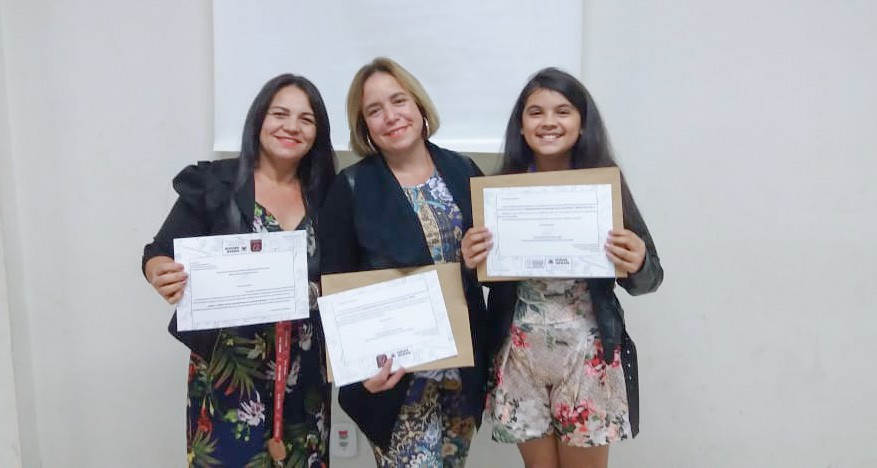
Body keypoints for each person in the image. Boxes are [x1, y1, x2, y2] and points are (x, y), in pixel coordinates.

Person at [462, 68, 664, 468]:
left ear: (582, 123)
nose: (549, 122)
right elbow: (483, 279)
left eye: (563, 111)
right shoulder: (500, 189)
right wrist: (468, 262)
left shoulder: (605, 187)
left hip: (587, 352)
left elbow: (650, 277)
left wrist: (637, 261)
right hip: (517, 353)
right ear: (520, 126)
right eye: (535, 112)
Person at [142, 74, 336, 467]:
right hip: (230, 373)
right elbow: (158, 252)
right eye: (280, 113)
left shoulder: (328, 193)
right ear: (258, 120)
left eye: (306, 119)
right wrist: (159, 270)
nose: (291, 127)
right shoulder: (217, 183)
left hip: (306, 374)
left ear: (317, 133)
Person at [319, 57, 489, 467]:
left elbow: (487, 268)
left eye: (398, 101)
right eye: (374, 110)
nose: (390, 116)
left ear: (419, 106)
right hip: (396, 381)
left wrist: (476, 259)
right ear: (364, 127)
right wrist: (360, 372)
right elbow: (335, 286)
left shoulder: (463, 170)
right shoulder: (351, 188)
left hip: (460, 376)